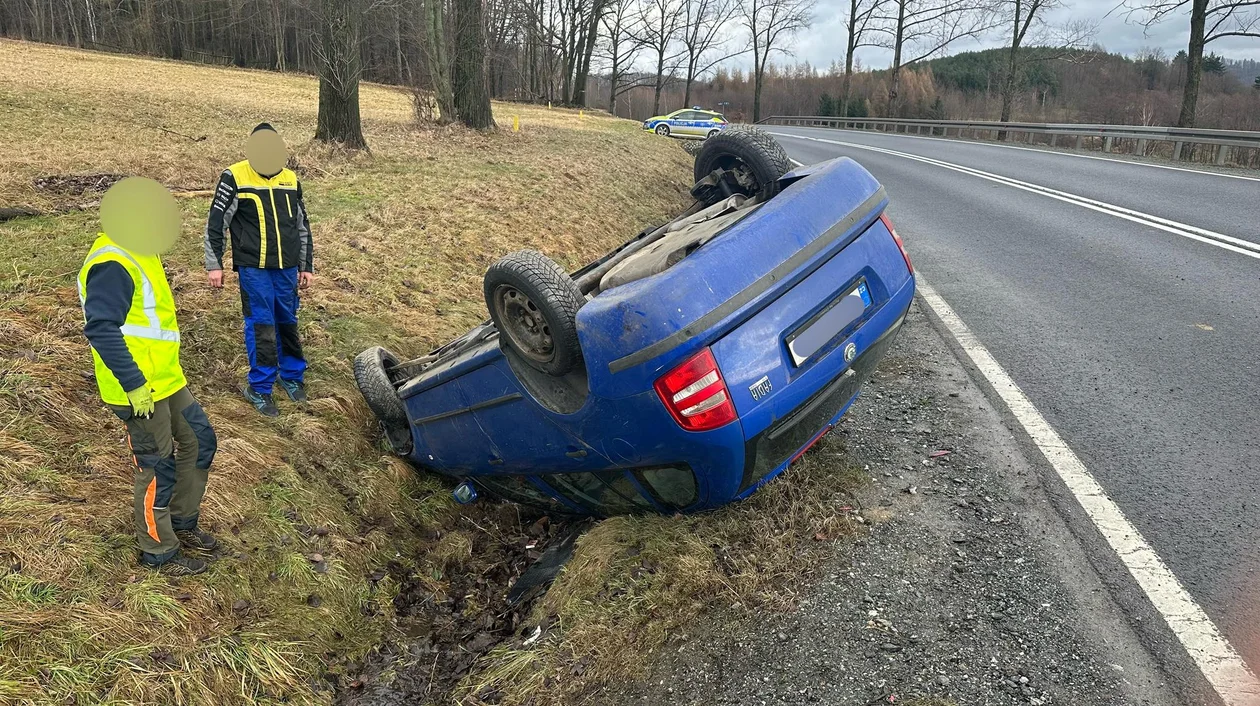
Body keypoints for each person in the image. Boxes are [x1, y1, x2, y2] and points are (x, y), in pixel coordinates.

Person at [80, 177, 219, 576]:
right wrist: (135, 384)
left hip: (167, 379)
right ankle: (158, 550)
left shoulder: (142, 250)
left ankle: (181, 521)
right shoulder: (113, 262)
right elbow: (101, 328)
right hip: (138, 387)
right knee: (157, 466)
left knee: (200, 440)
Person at [204, 122, 314, 417]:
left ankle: (291, 376)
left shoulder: (291, 180)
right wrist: (214, 264)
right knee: (262, 324)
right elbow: (217, 223)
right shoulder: (234, 176)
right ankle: (260, 387)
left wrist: (306, 265)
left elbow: (302, 226)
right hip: (254, 268)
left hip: (288, 268)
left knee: (287, 321)